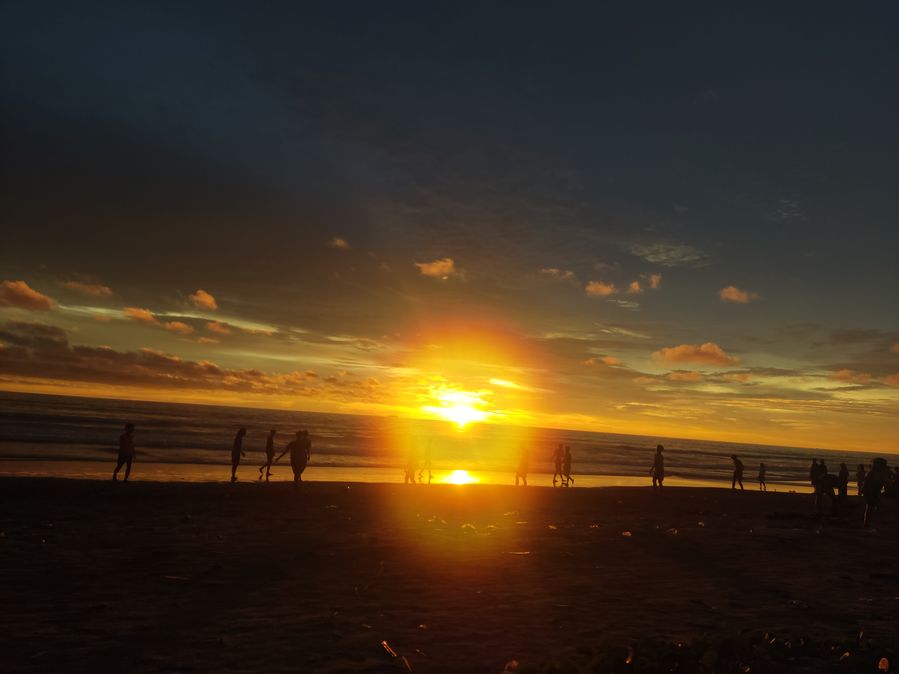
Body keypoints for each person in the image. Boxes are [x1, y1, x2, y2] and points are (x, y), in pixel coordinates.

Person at [863, 458, 890, 528]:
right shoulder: (874, 473)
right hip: (871, 492)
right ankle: (868, 523)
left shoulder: (875, 472)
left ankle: (869, 523)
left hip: (873, 492)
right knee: (871, 507)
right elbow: (875, 483)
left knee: (872, 507)